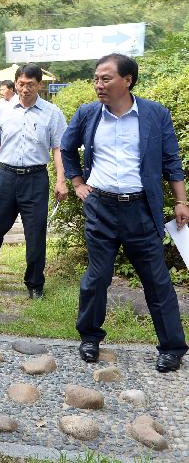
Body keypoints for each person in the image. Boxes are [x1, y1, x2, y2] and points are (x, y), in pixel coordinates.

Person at [61, 53, 188, 373]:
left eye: (105, 79)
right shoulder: (89, 113)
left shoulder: (154, 114)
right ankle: (89, 337)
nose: (98, 85)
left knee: (157, 281)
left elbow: (171, 160)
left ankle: (172, 347)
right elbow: (66, 146)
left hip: (141, 210)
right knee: (96, 277)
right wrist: (77, 182)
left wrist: (181, 201)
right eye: (96, 79)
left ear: (127, 80)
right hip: (101, 207)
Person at [0, 64, 68, 299]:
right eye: (21, 84)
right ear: (15, 83)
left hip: (35, 179)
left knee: (35, 234)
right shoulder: (4, 110)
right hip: (6, 176)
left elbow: (58, 149)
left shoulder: (52, 113)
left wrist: (61, 180)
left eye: (30, 85)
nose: (25, 89)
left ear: (39, 85)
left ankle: (34, 283)